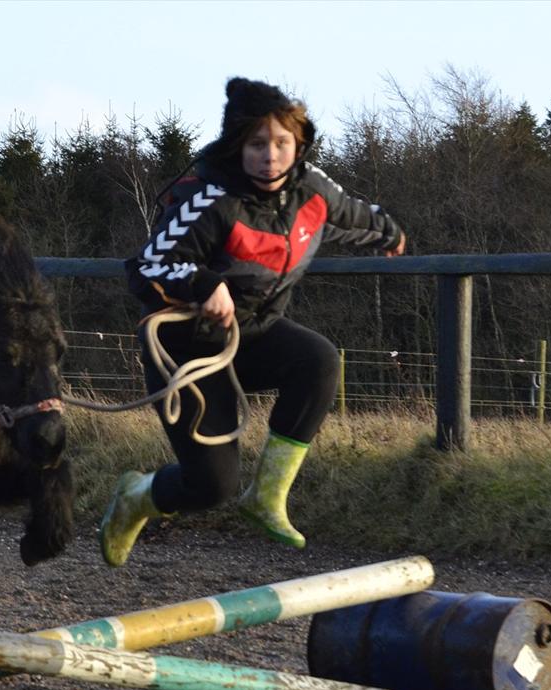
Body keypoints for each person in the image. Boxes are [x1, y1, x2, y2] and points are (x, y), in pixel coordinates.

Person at [99, 76, 407, 567]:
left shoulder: (312, 186)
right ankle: (137, 496)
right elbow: (146, 265)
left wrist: (389, 232)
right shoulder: (207, 198)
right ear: (237, 146)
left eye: (282, 143)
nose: (271, 155)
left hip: (254, 334)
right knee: (211, 486)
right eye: (257, 144)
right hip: (188, 350)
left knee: (317, 360)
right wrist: (203, 284)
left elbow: (352, 214)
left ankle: (267, 496)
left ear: (298, 142)